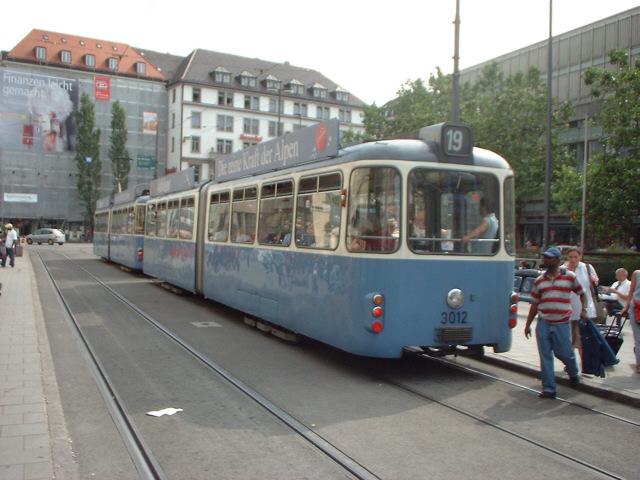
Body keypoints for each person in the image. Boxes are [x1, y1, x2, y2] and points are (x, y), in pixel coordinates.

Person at [524, 247, 587, 398]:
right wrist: (527, 325)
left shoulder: (569, 277)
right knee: (545, 355)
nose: (546, 260)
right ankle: (549, 389)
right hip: (544, 322)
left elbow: (582, 293)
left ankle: (573, 372)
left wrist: (583, 310)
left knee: (565, 353)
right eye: (545, 257)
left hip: (562, 322)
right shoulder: (539, 281)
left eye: (549, 258)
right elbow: (534, 304)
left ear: (558, 261)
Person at [563, 247, 599, 358]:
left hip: (584, 309)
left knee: (583, 339)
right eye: (570, 257)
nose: (573, 260)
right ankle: (570, 362)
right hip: (568, 309)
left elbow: (596, 283)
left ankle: (585, 365)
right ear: (567, 257)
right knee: (569, 339)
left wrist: (594, 281)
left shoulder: (586, 267)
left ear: (580, 257)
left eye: (575, 257)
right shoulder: (563, 269)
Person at [620, 270, 640, 374]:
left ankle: (639, 365)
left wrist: (626, 307)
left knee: (638, 339)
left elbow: (631, 293)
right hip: (636, 308)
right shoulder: (637, 273)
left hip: (636, 308)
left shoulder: (636, 273)